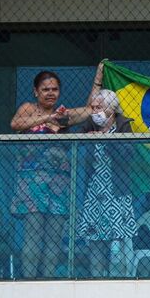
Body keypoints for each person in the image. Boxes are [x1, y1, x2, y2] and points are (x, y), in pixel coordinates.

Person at [9, 70, 90, 278]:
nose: (50, 93)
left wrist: (98, 79)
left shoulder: (63, 116)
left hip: (59, 183)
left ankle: (48, 280)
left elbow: (89, 111)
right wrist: (48, 118)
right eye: (45, 89)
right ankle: (29, 280)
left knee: (55, 235)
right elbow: (15, 124)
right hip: (31, 181)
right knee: (33, 231)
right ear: (36, 92)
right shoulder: (28, 108)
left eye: (54, 89)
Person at [76, 89, 137, 277]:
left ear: (111, 109)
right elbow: (77, 145)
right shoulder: (89, 125)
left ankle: (118, 280)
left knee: (118, 242)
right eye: (93, 108)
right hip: (95, 191)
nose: (95, 111)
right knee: (95, 241)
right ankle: (96, 278)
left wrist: (107, 139)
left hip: (116, 191)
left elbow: (128, 156)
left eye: (99, 107)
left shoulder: (123, 126)